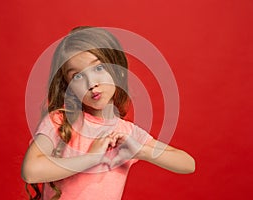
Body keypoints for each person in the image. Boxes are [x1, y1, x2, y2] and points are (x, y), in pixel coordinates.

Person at [21, 26, 195, 200]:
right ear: (69, 88)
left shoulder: (126, 133)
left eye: (98, 68)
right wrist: (91, 159)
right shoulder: (60, 121)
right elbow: (30, 172)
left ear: (118, 70)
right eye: (78, 76)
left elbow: (188, 164)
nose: (91, 83)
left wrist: (142, 151)